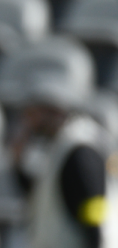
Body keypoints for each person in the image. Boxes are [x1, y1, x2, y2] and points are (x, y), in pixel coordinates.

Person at [10, 100, 116, 248]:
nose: (29, 122)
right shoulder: (60, 145)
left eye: (33, 114)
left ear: (54, 111)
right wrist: (18, 166)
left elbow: (94, 208)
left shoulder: (79, 149)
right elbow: (47, 198)